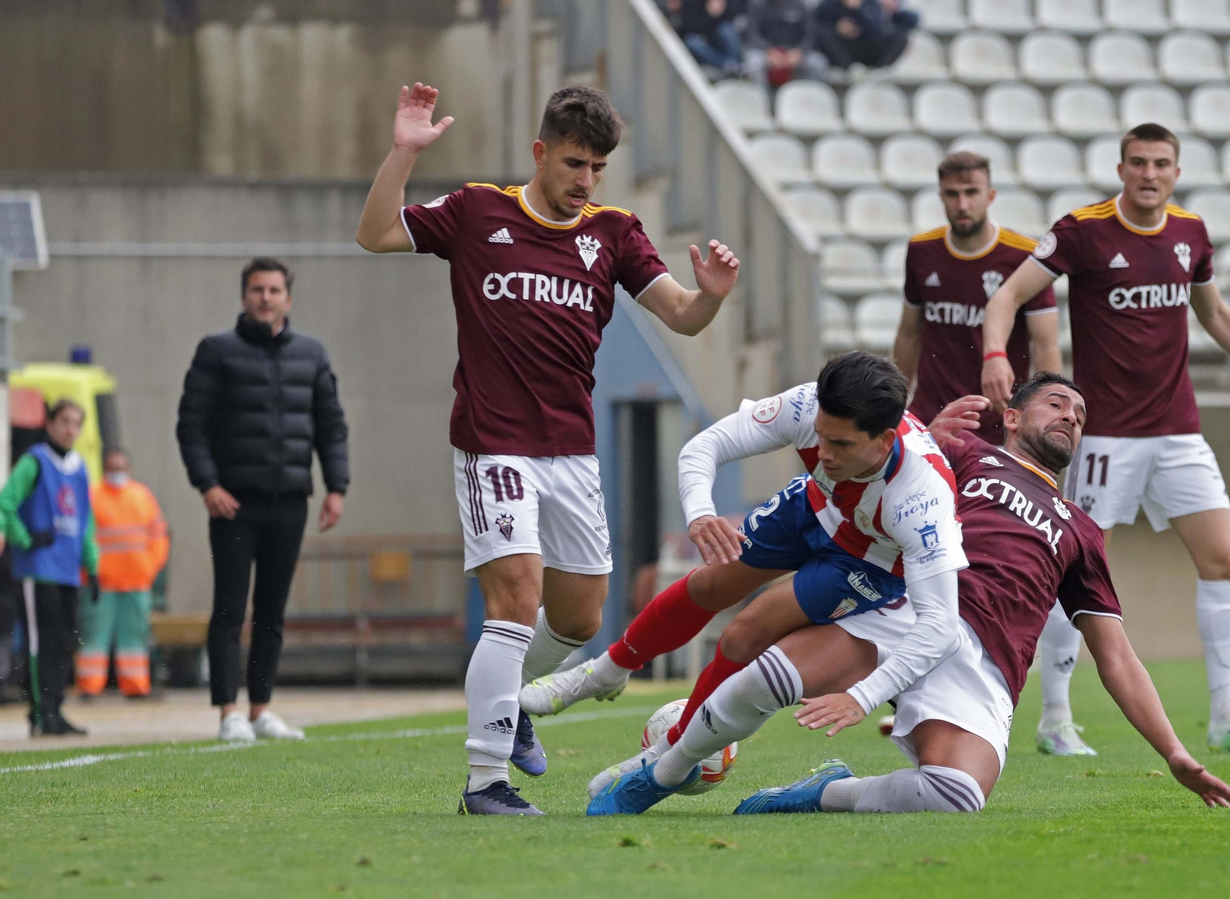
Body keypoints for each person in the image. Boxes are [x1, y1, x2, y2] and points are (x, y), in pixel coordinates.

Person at [590, 373, 1230, 815]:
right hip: (908, 609)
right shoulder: (965, 454)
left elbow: (1116, 656)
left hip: (986, 659)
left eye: (1079, 412)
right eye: (1056, 402)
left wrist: (1175, 752)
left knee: (957, 793)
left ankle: (823, 794)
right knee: (769, 674)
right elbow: (876, 444)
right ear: (1010, 415)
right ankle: (662, 771)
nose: (1071, 413)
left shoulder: (1083, 531)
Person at [355, 83, 741, 816]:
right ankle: (485, 782)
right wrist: (404, 152)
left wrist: (713, 293)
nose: (584, 180)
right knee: (514, 598)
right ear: (540, 152)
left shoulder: (616, 233)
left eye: (596, 167)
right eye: (572, 163)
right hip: (493, 444)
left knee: (578, 617)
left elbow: (684, 317)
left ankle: (514, 700)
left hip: (571, 451)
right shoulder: (478, 211)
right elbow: (374, 233)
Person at [978, 123, 1230, 754]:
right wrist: (996, 354)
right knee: (1074, 570)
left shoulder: (1189, 233)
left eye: (1161, 164)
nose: (1149, 173)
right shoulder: (1083, 230)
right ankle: (1055, 721)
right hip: (1107, 437)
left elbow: (1215, 314)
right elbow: (1007, 295)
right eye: (1138, 163)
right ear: (1121, 169)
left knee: (1223, 558)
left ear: (1175, 171)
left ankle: (1228, 715)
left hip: (1178, 431)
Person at [521, 352, 966, 805]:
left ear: (885, 440)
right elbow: (703, 447)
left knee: (745, 631)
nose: (824, 453)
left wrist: (863, 697)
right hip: (813, 507)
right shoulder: (806, 406)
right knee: (709, 584)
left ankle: (664, 756)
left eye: (842, 445)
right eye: (821, 437)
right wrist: (700, 514)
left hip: (867, 562)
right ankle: (605, 673)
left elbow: (941, 625)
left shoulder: (921, 500)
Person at [889, 151, 1085, 756]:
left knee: (1025, 563)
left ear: (991, 194)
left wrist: (1041, 418)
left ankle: (1055, 714)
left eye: (972, 192)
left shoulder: (1023, 257)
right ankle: (907, 689)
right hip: (935, 433)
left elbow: (1048, 351)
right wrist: (894, 415)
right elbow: (910, 337)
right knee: (913, 554)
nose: (962, 204)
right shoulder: (923, 252)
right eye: (952, 194)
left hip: (1003, 444)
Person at [177, 257, 349, 745]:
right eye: (257, 290)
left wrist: (336, 487)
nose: (265, 298)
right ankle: (228, 712)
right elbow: (191, 426)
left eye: (274, 290)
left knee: (272, 611)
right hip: (233, 503)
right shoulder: (216, 352)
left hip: (289, 500)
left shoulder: (311, 355)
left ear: (287, 299)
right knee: (230, 608)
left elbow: (331, 426)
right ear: (244, 296)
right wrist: (208, 484)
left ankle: (261, 710)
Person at [0, 399, 99, 736]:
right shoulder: (35, 462)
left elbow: (85, 520)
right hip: (39, 568)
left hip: (68, 569)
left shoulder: (80, 467)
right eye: (65, 421)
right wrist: (24, 539)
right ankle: (40, 714)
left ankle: (56, 707)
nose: (70, 429)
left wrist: (92, 564)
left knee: (63, 642)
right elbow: (6, 503)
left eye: (76, 423)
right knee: (39, 642)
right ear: (51, 424)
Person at [77, 448, 168, 698]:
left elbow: (159, 536)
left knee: (134, 638)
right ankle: (89, 687)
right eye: (112, 468)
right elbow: (82, 538)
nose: (117, 472)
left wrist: (149, 567)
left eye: (121, 467)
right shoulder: (93, 497)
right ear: (105, 469)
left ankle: (137, 686)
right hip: (101, 582)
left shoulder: (142, 496)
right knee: (94, 636)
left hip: (136, 581)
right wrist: (90, 570)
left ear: (128, 468)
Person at [812, 0, 919, 71]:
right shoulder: (828, 4)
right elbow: (816, 27)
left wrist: (858, 10)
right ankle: (850, 68)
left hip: (866, 46)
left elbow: (876, 29)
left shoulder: (871, 3)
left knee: (901, 36)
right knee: (823, 34)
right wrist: (837, 28)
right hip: (841, 50)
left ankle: (881, 69)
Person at [744, 0, 827, 88]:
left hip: (794, 51)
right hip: (766, 51)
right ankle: (762, 99)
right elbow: (752, 34)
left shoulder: (801, 5)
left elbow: (810, 35)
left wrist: (800, 51)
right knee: (754, 63)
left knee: (817, 63)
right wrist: (769, 50)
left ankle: (807, 99)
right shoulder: (758, 4)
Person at [669, 0, 748, 77]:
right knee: (692, 42)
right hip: (701, 43)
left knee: (727, 29)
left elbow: (733, 19)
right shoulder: (691, 3)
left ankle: (737, 64)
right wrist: (709, 14)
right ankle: (727, 65)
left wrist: (721, 11)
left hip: (717, 40)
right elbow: (690, 28)